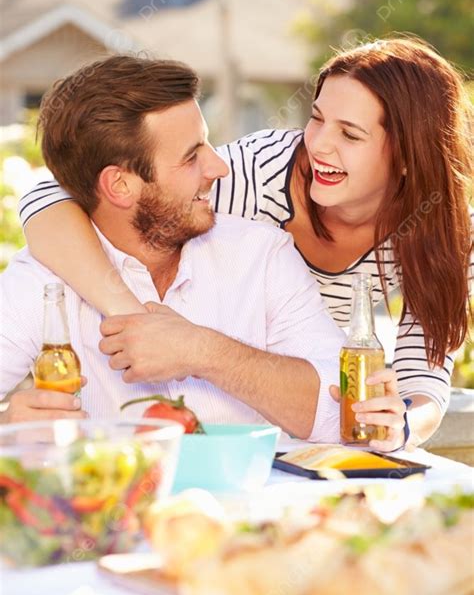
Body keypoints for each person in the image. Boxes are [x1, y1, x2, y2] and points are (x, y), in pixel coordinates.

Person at [16, 38, 473, 448]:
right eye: (315, 119)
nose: (319, 147)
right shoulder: (249, 178)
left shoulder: (445, 233)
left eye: (351, 134)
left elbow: (416, 380)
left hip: (294, 396)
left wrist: (401, 424)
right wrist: (133, 316)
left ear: (411, 156)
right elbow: (68, 192)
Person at [0, 55, 347, 443]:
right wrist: (7, 430)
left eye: (209, 143)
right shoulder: (42, 282)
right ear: (119, 186)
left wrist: (202, 350)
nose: (219, 167)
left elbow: (343, 415)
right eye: (191, 156)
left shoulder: (261, 256)